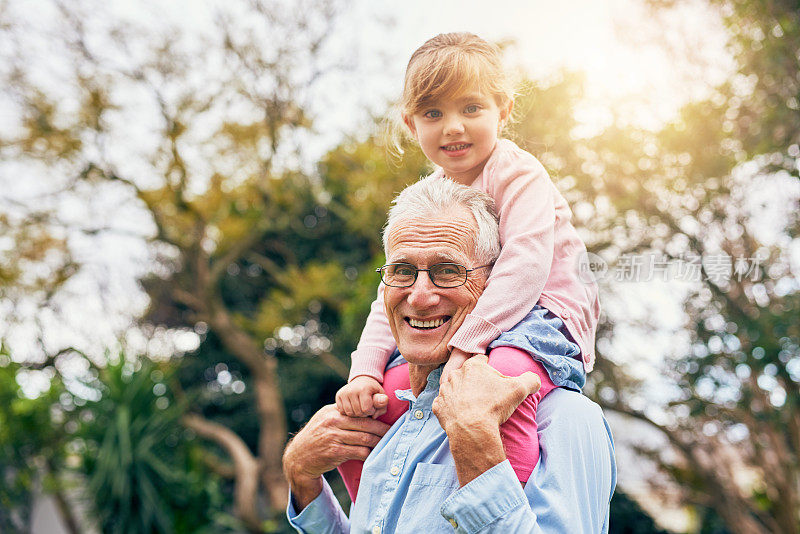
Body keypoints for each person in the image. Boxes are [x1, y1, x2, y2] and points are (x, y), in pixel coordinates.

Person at [336, 32, 600, 494]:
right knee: (377, 402)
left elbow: (525, 266)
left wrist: (465, 346)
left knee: (494, 389)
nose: (453, 126)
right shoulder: (427, 198)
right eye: (433, 113)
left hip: (542, 314)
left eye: (471, 109)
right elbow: (393, 294)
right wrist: (365, 369)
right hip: (472, 318)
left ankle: (502, 506)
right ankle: (371, 512)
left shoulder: (519, 174)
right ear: (411, 122)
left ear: (504, 110)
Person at [282, 177, 616, 533]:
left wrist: (479, 450)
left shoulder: (565, 418)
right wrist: (302, 478)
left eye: (447, 271)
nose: (419, 296)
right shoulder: (389, 416)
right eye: (402, 271)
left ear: (496, 282)